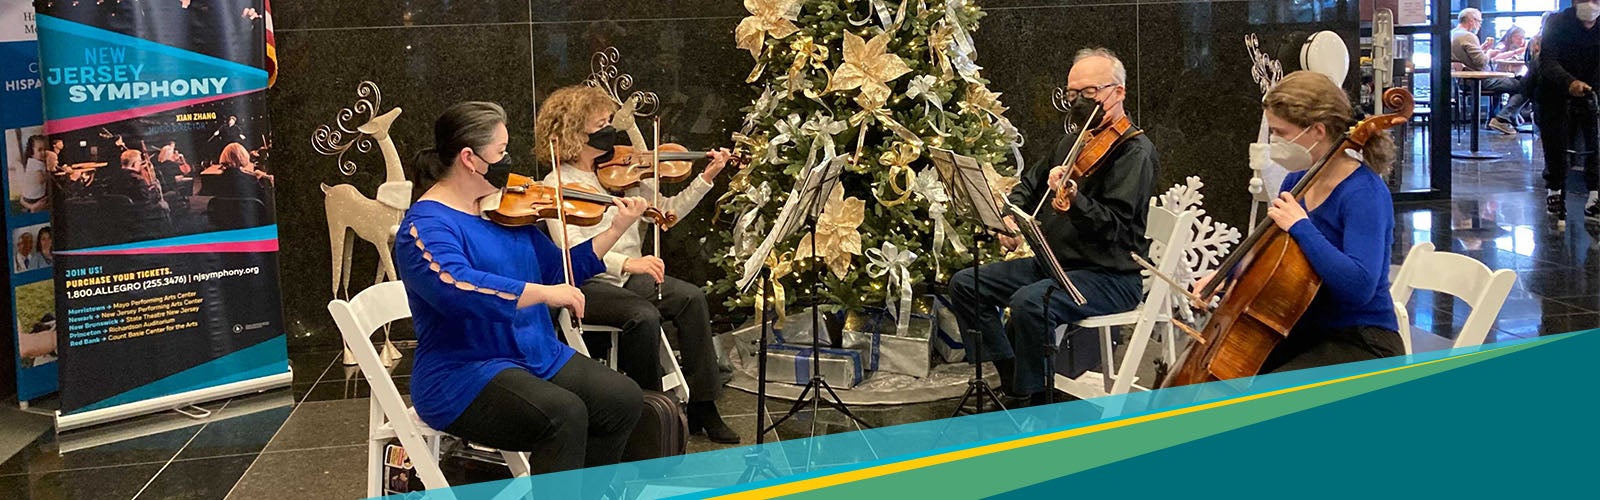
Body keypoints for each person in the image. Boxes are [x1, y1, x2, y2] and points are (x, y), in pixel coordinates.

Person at [394, 101, 647, 481]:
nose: (509, 161)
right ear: (469, 159)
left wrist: (615, 229)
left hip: (533, 353)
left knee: (622, 399)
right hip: (463, 372)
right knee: (563, 414)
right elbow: (456, 288)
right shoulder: (425, 226)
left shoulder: (503, 211)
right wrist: (543, 294)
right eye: (501, 152)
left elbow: (558, 269)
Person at [949, 48, 1158, 407]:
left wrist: (1077, 201)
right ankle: (1013, 379)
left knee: (1030, 302)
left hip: (1109, 276)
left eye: (1089, 93)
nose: (1078, 102)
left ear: (1119, 92)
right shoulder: (1072, 142)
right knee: (968, 284)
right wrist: (1009, 216)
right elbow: (1030, 184)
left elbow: (1117, 230)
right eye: (1072, 94)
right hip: (1058, 266)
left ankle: (1035, 404)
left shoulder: (1134, 153)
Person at [536, 85, 741, 443]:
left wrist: (706, 178)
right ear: (575, 134)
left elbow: (668, 213)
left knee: (691, 298)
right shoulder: (557, 183)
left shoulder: (622, 173)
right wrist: (628, 263)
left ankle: (704, 406)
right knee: (642, 316)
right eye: (601, 125)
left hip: (630, 277)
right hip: (587, 283)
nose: (609, 131)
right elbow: (571, 250)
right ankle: (649, 413)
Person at [1199, 71, 1404, 373]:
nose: (1273, 141)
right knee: (1229, 376)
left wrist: (1301, 226)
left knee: (1265, 394)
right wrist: (1225, 278)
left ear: (1318, 131)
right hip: (1305, 328)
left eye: (1280, 133)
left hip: (1362, 340)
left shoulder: (1364, 193)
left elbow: (1359, 287)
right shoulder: (1297, 180)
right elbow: (1272, 256)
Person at [1537, 0, 1600, 220]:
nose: (1590, 5)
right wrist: (1569, 82)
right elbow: (1548, 61)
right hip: (1555, 90)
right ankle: (1554, 191)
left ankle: (1595, 195)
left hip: (1593, 90)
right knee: (1556, 142)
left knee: (1596, 141)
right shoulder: (1557, 22)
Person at [1452, 9, 1525, 133]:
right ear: (1471, 21)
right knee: (1525, 85)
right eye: (1479, 21)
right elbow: (1481, 62)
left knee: (1517, 83)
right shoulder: (1468, 36)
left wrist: (1482, 49)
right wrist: (1490, 53)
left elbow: (1467, 59)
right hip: (1480, 80)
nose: (1480, 25)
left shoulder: (1453, 34)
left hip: (1463, 81)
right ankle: (1503, 118)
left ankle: (1507, 117)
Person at [18, 135, 50, 213]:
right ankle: (34, 208)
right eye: (40, 150)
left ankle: (29, 209)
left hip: (27, 196)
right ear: (32, 152)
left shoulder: (31, 161)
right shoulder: (37, 164)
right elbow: (40, 180)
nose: (43, 152)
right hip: (34, 197)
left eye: (45, 149)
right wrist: (48, 175)